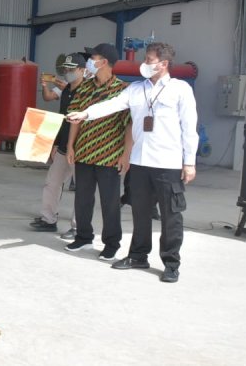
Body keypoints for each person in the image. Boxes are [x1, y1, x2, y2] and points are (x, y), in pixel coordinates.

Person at [67, 42, 198, 283]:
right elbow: (111, 105)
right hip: (139, 162)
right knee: (140, 212)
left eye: (149, 60)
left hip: (168, 163)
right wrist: (85, 114)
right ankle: (138, 255)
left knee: (171, 216)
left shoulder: (180, 90)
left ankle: (171, 262)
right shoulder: (136, 90)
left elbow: (190, 128)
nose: (144, 64)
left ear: (164, 64)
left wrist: (189, 162)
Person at [64, 43, 131, 262]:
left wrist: (125, 155)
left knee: (109, 202)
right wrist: (71, 146)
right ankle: (83, 236)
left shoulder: (123, 89)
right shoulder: (85, 87)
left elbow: (129, 125)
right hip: (83, 151)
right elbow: (75, 118)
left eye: (93, 57)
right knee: (82, 199)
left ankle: (111, 243)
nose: (90, 61)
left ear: (104, 62)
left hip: (109, 154)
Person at [30, 53, 86, 239]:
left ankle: (78, 228)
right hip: (63, 146)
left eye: (72, 69)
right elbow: (63, 119)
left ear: (83, 70)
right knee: (52, 182)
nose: (68, 73)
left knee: (82, 189)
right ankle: (48, 219)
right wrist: (55, 143)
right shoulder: (67, 90)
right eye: (67, 69)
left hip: (81, 148)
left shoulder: (88, 91)